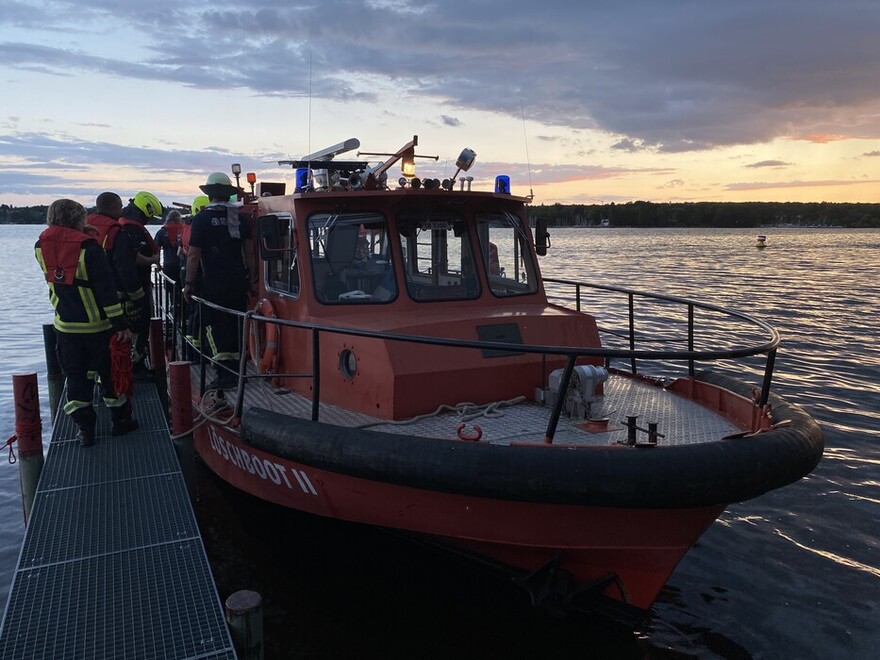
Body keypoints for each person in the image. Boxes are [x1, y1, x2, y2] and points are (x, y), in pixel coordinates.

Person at [35, 199, 138, 446]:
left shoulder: (40, 245)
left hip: (65, 326)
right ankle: (120, 421)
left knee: (76, 377)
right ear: (77, 219)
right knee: (111, 375)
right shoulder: (90, 249)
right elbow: (106, 291)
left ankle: (85, 430)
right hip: (98, 327)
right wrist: (121, 324)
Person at [184, 173, 255, 391]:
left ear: (209, 194)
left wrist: (188, 283)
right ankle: (239, 371)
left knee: (214, 327)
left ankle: (225, 375)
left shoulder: (202, 219)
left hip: (213, 283)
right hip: (238, 282)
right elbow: (249, 253)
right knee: (236, 325)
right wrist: (250, 278)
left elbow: (193, 255)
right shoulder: (240, 218)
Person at [118, 191, 163, 377]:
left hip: (131, 285)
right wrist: (153, 260)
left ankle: (134, 363)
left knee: (137, 327)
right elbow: (134, 258)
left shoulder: (125, 226)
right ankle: (136, 367)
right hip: (134, 288)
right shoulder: (132, 230)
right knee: (138, 326)